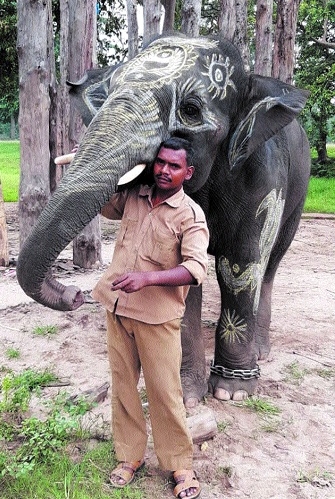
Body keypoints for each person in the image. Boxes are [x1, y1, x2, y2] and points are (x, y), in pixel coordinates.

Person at [91, 137, 209, 499]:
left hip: (157, 318)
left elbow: (196, 268)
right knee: (123, 387)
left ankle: (179, 465)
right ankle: (130, 458)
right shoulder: (134, 196)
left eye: (174, 166)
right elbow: (103, 205)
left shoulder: (190, 215)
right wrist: (107, 163)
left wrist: (148, 278)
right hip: (116, 307)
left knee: (165, 392)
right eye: (160, 162)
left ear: (187, 172)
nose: (164, 170)